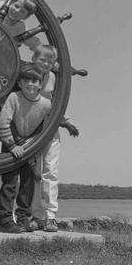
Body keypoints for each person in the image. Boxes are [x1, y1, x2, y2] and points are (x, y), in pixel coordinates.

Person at [0, 63, 51, 233]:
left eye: (34, 80)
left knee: (28, 185)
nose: (30, 84)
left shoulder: (46, 104)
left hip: (29, 148)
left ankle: (22, 219)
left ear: (40, 84)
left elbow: (48, 126)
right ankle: (6, 221)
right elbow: (2, 122)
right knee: (9, 184)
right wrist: (12, 145)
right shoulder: (14, 97)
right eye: (26, 80)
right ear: (19, 83)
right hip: (10, 146)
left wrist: (28, 146)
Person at [29, 44, 79, 232]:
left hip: (50, 129)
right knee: (34, 175)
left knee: (50, 172)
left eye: (50, 61)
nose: (46, 64)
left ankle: (50, 217)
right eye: (42, 60)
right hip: (31, 130)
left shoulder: (54, 78)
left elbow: (57, 101)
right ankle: (36, 216)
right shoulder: (26, 76)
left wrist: (66, 122)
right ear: (33, 59)